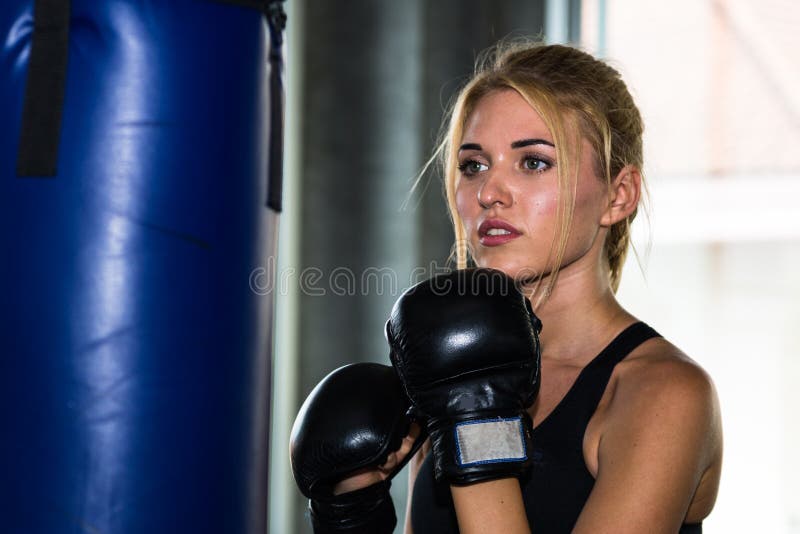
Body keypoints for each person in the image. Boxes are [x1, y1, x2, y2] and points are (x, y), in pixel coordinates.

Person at [291, 40, 722, 534]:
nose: (489, 193)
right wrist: (352, 510)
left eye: (533, 162)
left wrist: (477, 424)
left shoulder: (664, 394)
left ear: (618, 196)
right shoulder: (449, 367)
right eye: (473, 165)